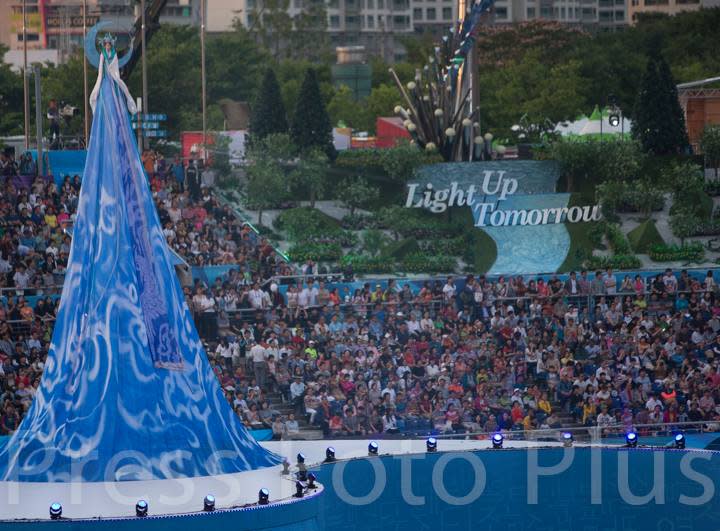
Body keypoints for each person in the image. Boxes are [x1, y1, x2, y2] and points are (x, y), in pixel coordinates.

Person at [89, 33, 137, 115]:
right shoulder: (102, 55)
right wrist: (101, 77)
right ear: (104, 45)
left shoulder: (114, 55)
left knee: (119, 92)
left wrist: (114, 75)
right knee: (103, 93)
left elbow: (115, 67)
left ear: (111, 45)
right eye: (106, 45)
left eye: (109, 45)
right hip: (105, 78)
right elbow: (100, 68)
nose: (108, 46)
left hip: (113, 77)